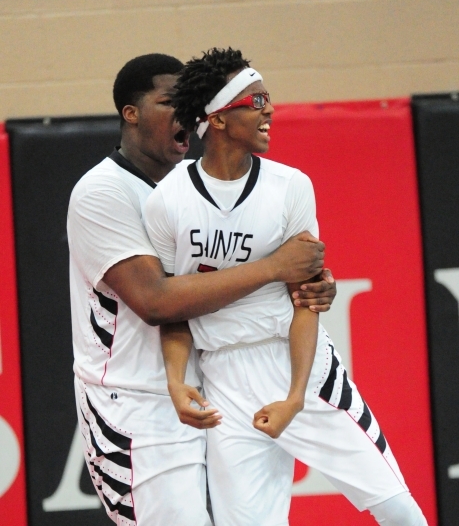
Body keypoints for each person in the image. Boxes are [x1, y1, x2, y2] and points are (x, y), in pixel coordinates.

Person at [144, 47, 427, 526]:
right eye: (255, 101)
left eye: (268, 98)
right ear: (216, 118)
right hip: (223, 380)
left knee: (400, 511)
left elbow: (308, 300)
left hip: (299, 367)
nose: (269, 109)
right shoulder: (168, 199)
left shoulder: (291, 187)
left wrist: (296, 396)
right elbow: (174, 310)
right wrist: (176, 381)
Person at [67, 53, 337, 526]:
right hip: (136, 405)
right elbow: (155, 301)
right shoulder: (101, 192)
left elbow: (242, 273)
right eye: (169, 101)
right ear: (131, 113)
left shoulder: (191, 187)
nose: (186, 114)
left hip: (210, 388)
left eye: (190, 102)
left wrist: (311, 284)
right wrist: (276, 267)